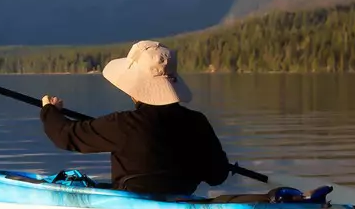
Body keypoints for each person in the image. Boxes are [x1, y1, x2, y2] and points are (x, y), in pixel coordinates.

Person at [39, 39, 231, 195]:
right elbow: (217, 176)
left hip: (132, 207)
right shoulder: (197, 122)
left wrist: (50, 111)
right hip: (180, 202)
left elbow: (65, 135)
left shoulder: (123, 124)